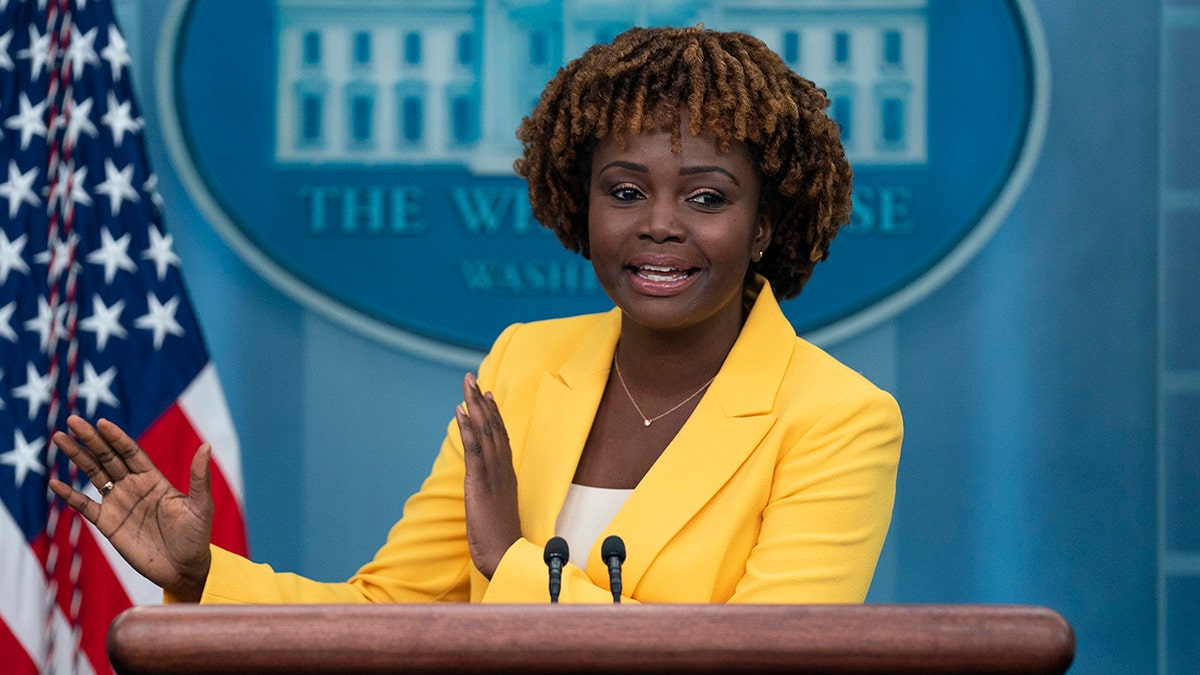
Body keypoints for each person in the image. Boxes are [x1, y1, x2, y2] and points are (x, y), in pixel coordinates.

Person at [50, 25, 902, 605]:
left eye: (707, 197)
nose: (659, 224)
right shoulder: (524, 365)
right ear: (582, 204)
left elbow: (762, 658)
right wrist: (204, 576)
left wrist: (508, 564)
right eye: (626, 191)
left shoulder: (837, 418)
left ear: (766, 225)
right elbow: (388, 612)